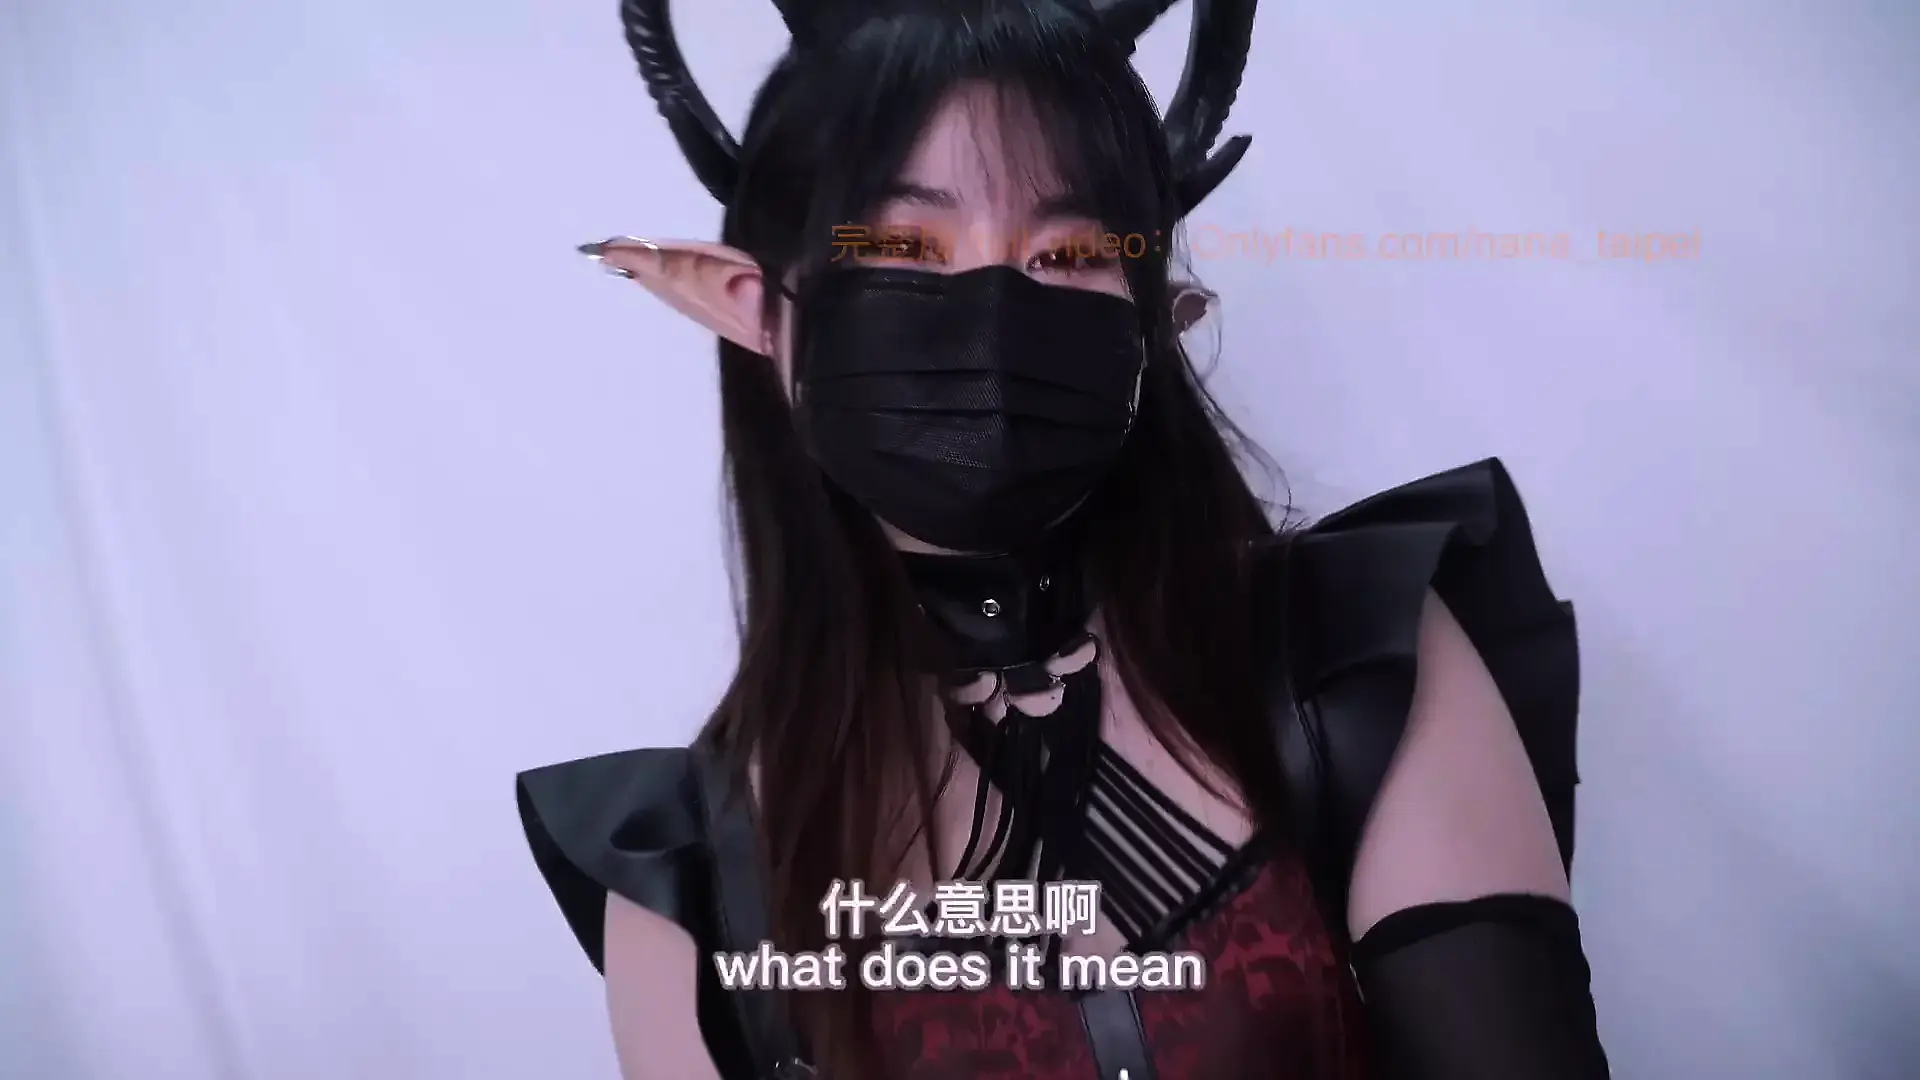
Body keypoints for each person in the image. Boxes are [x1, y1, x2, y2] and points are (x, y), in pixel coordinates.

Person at [516, 1, 1610, 1077]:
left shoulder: (1356, 656)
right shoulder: (689, 870)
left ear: (1154, 319)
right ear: (751, 304)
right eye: (899, 242)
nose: (992, 306)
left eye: (1068, 252)